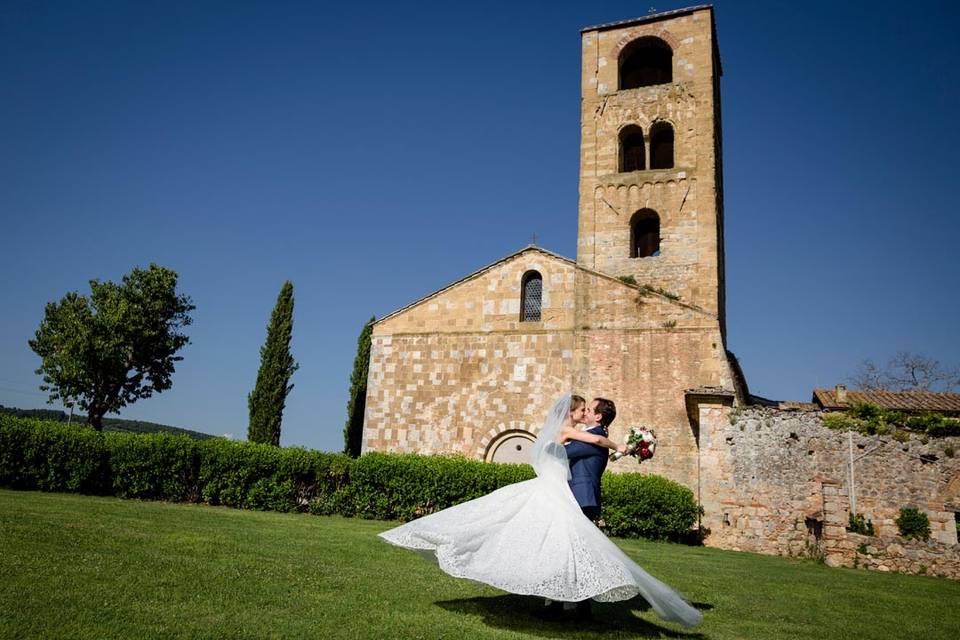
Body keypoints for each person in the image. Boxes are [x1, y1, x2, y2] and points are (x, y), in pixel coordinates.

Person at [378, 394, 702, 628]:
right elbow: (595, 446)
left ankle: (567, 604)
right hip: (557, 490)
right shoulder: (570, 432)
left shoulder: (587, 432)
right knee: (558, 544)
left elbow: (593, 448)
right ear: (572, 413)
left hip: (566, 491)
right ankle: (564, 603)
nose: (584, 412)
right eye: (581, 409)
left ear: (596, 417)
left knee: (568, 547)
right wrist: (621, 448)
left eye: (588, 410)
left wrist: (620, 448)